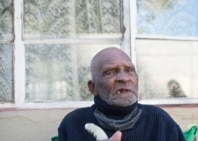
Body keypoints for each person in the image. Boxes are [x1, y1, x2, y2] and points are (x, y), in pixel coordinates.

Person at [57, 47, 185, 141]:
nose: (124, 78)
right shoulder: (73, 123)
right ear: (93, 87)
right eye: (110, 72)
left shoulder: (159, 120)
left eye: (130, 70)